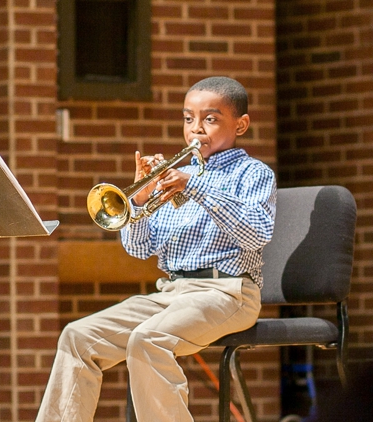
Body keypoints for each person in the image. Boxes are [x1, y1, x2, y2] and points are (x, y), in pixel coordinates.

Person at [36, 76, 277, 422]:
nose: (196, 129)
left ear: (240, 125)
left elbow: (257, 232)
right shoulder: (173, 176)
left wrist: (196, 187)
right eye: (188, 119)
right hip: (173, 292)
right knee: (78, 337)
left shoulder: (252, 174)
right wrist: (139, 200)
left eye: (210, 119)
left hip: (229, 292)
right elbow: (140, 247)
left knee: (148, 340)